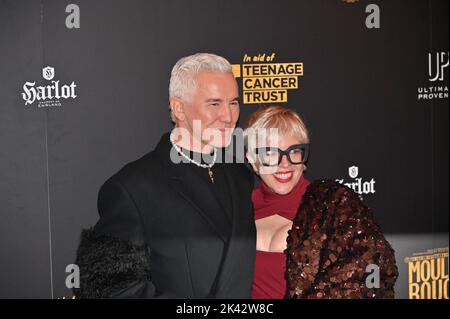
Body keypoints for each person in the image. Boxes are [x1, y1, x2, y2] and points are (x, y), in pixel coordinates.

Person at [74, 53, 256, 298]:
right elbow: (112, 287)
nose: (228, 116)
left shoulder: (240, 174)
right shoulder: (132, 188)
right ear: (179, 108)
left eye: (233, 102)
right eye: (214, 104)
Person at [244, 106, 398, 299]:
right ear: (253, 160)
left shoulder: (333, 203)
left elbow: (376, 266)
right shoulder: (239, 207)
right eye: (271, 153)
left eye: (294, 151)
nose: (285, 164)